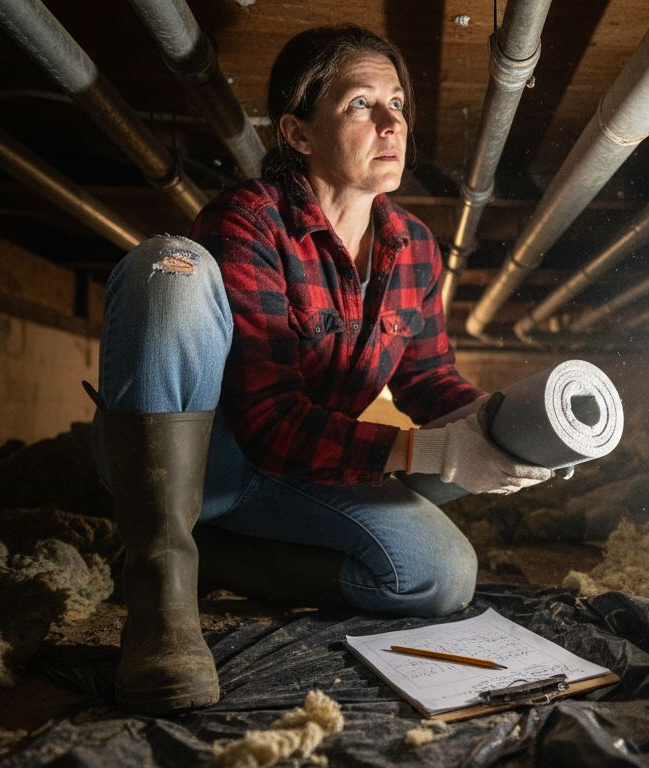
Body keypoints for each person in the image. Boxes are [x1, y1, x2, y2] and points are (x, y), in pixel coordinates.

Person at [89, 25, 555, 716]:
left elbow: (428, 379)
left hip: (301, 470)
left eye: (397, 102)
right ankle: (161, 590)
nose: (393, 122)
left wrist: (511, 428)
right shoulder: (250, 220)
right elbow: (268, 421)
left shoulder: (414, 247)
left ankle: (217, 557)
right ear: (299, 134)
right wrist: (435, 450)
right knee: (169, 266)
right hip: (212, 463)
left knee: (442, 575)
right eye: (362, 104)